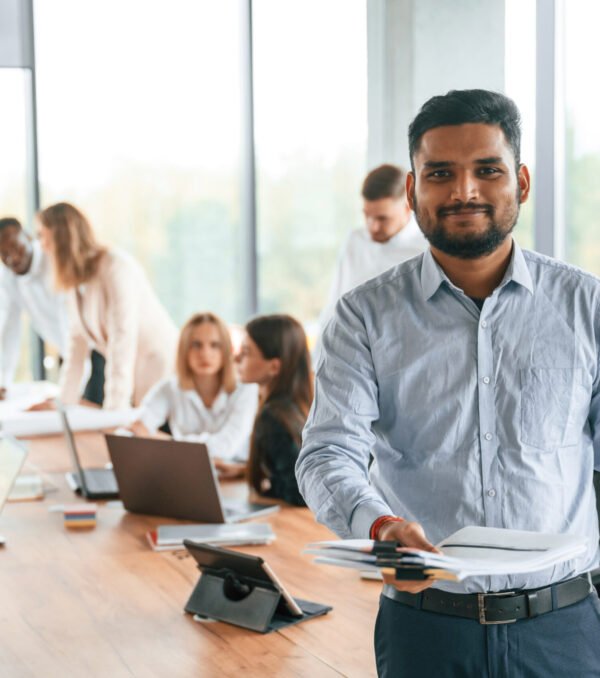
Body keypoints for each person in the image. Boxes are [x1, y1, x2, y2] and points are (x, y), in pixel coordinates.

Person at [297, 89, 600, 677]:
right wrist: (378, 524)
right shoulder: (363, 317)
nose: (464, 191)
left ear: (523, 182)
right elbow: (328, 453)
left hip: (564, 629)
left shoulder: (588, 306)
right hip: (424, 630)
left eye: (488, 170)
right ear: (413, 192)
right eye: (440, 174)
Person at [37, 202, 177, 410]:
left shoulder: (115, 267)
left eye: (43, 235)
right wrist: (62, 404)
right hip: (131, 372)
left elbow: (122, 339)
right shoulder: (75, 282)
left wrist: (114, 410)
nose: (41, 245)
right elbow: (76, 345)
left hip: (157, 367)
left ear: (62, 237)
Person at [134, 312, 258, 462]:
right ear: (184, 350)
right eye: (196, 345)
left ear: (226, 350)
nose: (205, 354)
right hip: (185, 470)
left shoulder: (246, 389)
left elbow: (226, 447)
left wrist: (170, 445)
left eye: (215, 345)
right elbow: (137, 428)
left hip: (236, 479)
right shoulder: (169, 388)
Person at [320, 164, 427, 325]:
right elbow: (335, 303)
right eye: (367, 216)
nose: (373, 227)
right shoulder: (355, 241)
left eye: (382, 218)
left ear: (407, 207)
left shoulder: (426, 248)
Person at [237, 314, 312, 506]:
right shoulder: (298, 407)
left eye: (246, 352)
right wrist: (242, 469)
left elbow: (298, 493)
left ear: (274, 367)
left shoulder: (272, 416)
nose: (236, 357)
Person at [0, 217, 69, 399]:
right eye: (4, 254)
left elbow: (71, 320)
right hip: (66, 351)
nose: (12, 257)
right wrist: (3, 381)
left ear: (28, 237)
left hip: (91, 348)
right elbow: (10, 329)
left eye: (16, 247)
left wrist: (67, 391)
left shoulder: (53, 260)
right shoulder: (8, 277)